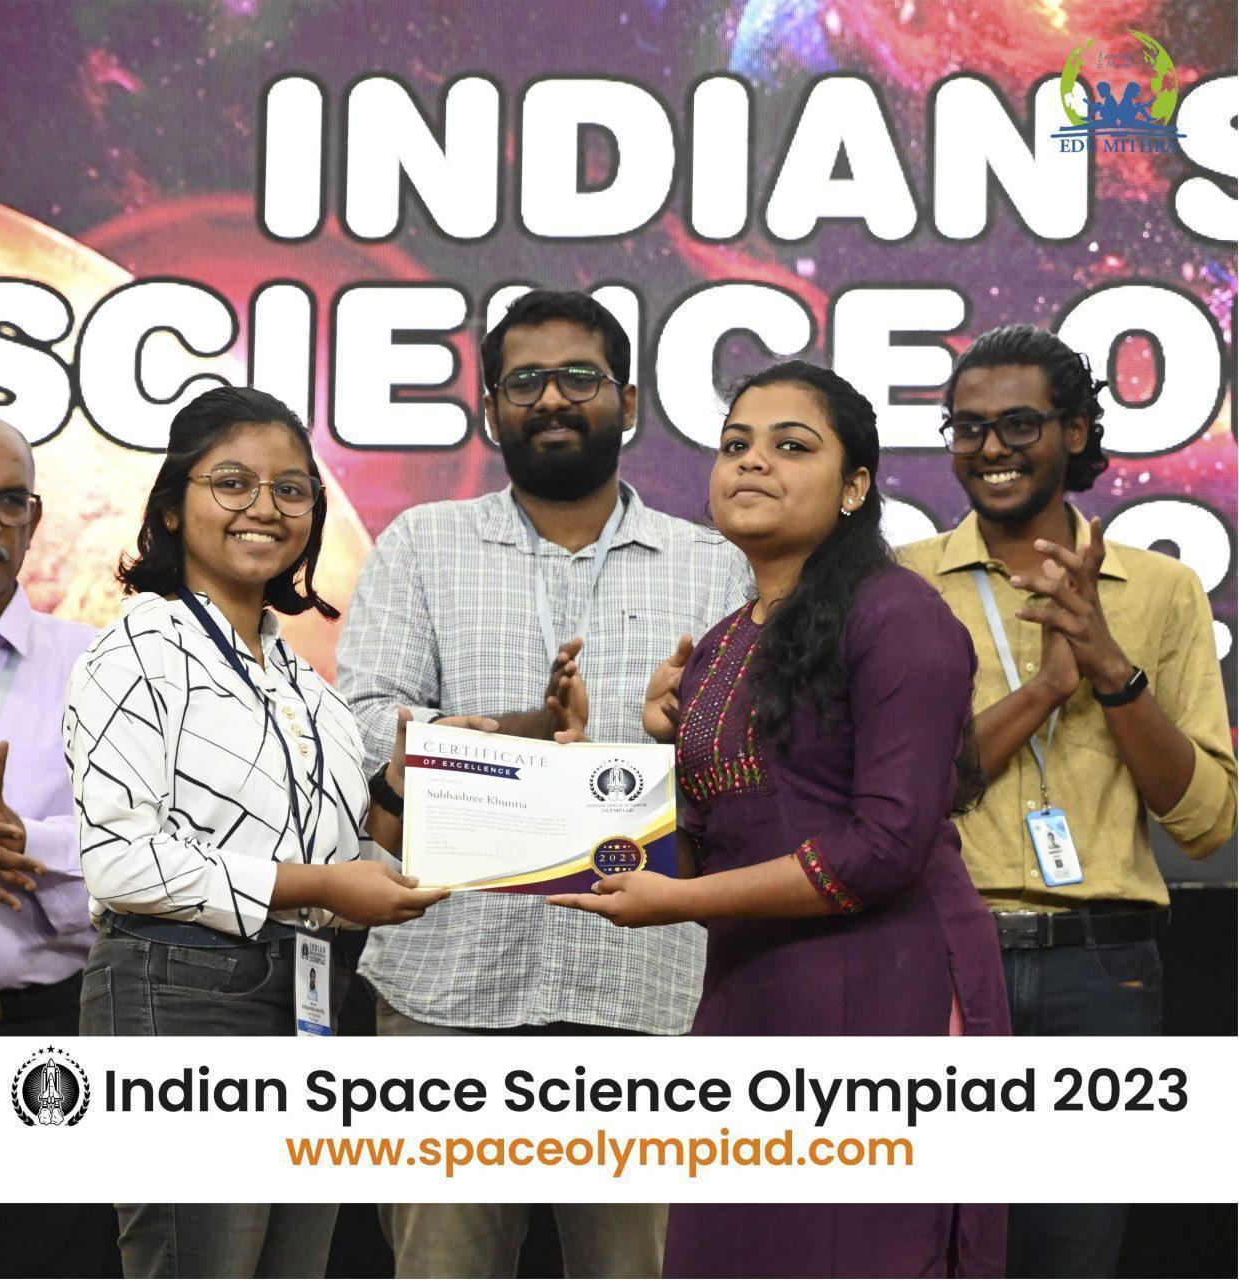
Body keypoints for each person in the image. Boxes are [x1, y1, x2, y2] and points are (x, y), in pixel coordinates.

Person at [549, 360, 1010, 1278]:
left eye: (792, 446)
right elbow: (713, 839)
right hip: (752, 992)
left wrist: (680, 903)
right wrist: (585, 781)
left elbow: (883, 847)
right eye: (736, 445)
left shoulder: (900, 615)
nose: (753, 462)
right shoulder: (725, 641)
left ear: (855, 487)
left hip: (886, 993)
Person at [336, 290, 751, 1279]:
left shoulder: (714, 566)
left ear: (629, 401)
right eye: (525, 381)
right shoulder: (422, 545)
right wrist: (522, 738)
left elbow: (749, 767)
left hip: (645, 990)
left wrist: (674, 736)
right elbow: (364, 726)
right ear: (490, 409)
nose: (553, 398)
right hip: (449, 985)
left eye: (579, 377)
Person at [64, 386, 468, 1280]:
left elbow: (345, 847)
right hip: (182, 997)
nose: (265, 507)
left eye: (291, 489)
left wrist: (439, 786)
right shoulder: (135, 652)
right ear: (173, 506)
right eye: (232, 482)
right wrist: (322, 887)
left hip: (310, 1000)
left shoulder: (304, 687)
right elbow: (122, 862)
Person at [900, 325, 1236, 1279]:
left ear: (1077, 432)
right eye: (969, 428)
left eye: (1019, 424)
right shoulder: (901, 586)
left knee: (1072, 1260)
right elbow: (905, 798)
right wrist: (1048, 689)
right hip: (940, 960)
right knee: (928, 1254)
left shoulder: (1162, 590)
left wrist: (1112, 673)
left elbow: (1205, 823)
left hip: (1104, 973)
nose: (992, 448)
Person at [0, 410, 120, 1279]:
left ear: (33, 519)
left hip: (43, 1044)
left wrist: (21, 843)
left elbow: (146, 854)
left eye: (7, 502)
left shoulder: (98, 669)